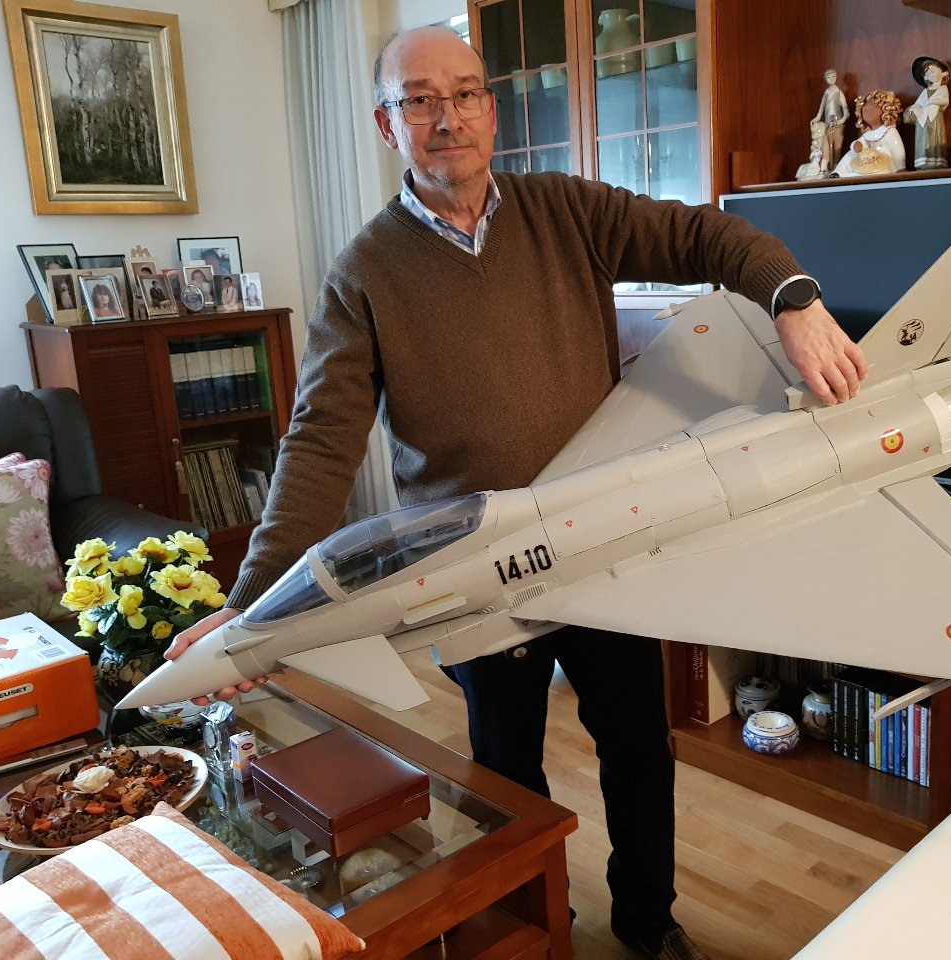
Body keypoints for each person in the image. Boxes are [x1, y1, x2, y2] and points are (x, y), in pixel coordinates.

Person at [166, 26, 867, 960]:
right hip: (472, 572)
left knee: (638, 749)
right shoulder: (364, 274)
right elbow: (322, 441)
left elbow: (705, 234)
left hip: (601, 551)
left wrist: (793, 297)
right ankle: (536, 928)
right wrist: (254, 603)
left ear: (491, 110)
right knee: (504, 774)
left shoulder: (567, 211)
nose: (447, 117)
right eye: (420, 99)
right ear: (386, 124)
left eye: (465, 93)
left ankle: (648, 921)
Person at [833, 90, 906, 177]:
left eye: (873, 109)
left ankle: (861, 174)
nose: (868, 112)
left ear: (885, 110)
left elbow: (897, 152)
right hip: (866, 163)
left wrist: (900, 169)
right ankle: (840, 172)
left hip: (883, 165)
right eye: (865, 110)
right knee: (851, 153)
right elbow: (862, 143)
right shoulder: (868, 133)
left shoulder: (889, 131)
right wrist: (857, 145)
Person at [903, 56, 950, 170]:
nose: (930, 74)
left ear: (943, 73)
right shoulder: (925, 91)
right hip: (923, 119)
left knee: (935, 136)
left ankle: (936, 160)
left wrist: (931, 102)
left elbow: (945, 100)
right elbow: (918, 104)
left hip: (935, 117)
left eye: (932, 71)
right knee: (923, 138)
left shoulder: (942, 88)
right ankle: (922, 159)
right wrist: (915, 108)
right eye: (927, 74)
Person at [812, 67, 849, 172]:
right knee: (826, 146)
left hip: (837, 125)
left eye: (833, 76)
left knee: (837, 148)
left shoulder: (839, 93)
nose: (831, 79)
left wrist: (840, 121)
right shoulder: (826, 93)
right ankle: (825, 167)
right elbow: (821, 109)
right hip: (828, 124)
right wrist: (817, 117)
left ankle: (836, 170)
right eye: (828, 77)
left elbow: (846, 113)